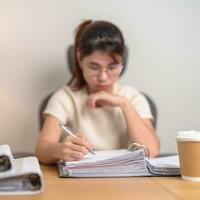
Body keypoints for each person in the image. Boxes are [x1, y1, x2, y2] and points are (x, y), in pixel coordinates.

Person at [35, 20, 160, 164]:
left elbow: (153, 150)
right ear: (79, 59)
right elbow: (41, 149)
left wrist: (124, 104)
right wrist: (60, 150)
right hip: (77, 184)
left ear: (122, 63)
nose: (103, 77)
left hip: (125, 182)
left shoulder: (132, 97)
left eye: (112, 67)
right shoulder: (64, 98)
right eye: (94, 67)